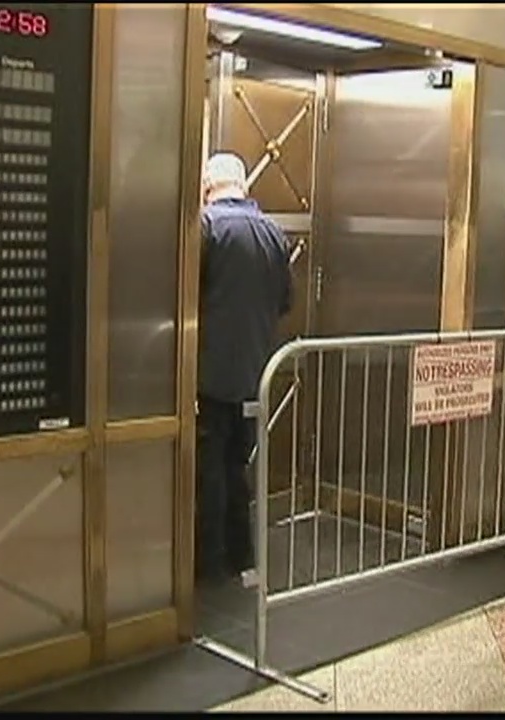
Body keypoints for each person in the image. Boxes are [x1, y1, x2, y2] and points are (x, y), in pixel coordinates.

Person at [196, 152, 293, 585]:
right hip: (256, 372)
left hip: (209, 374)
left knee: (209, 470)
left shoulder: (206, 227)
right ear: (244, 185)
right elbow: (285, 301)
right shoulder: (274, 233)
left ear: (207, 186)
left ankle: (207, 562)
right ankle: (242, 556)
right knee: (238, 466)